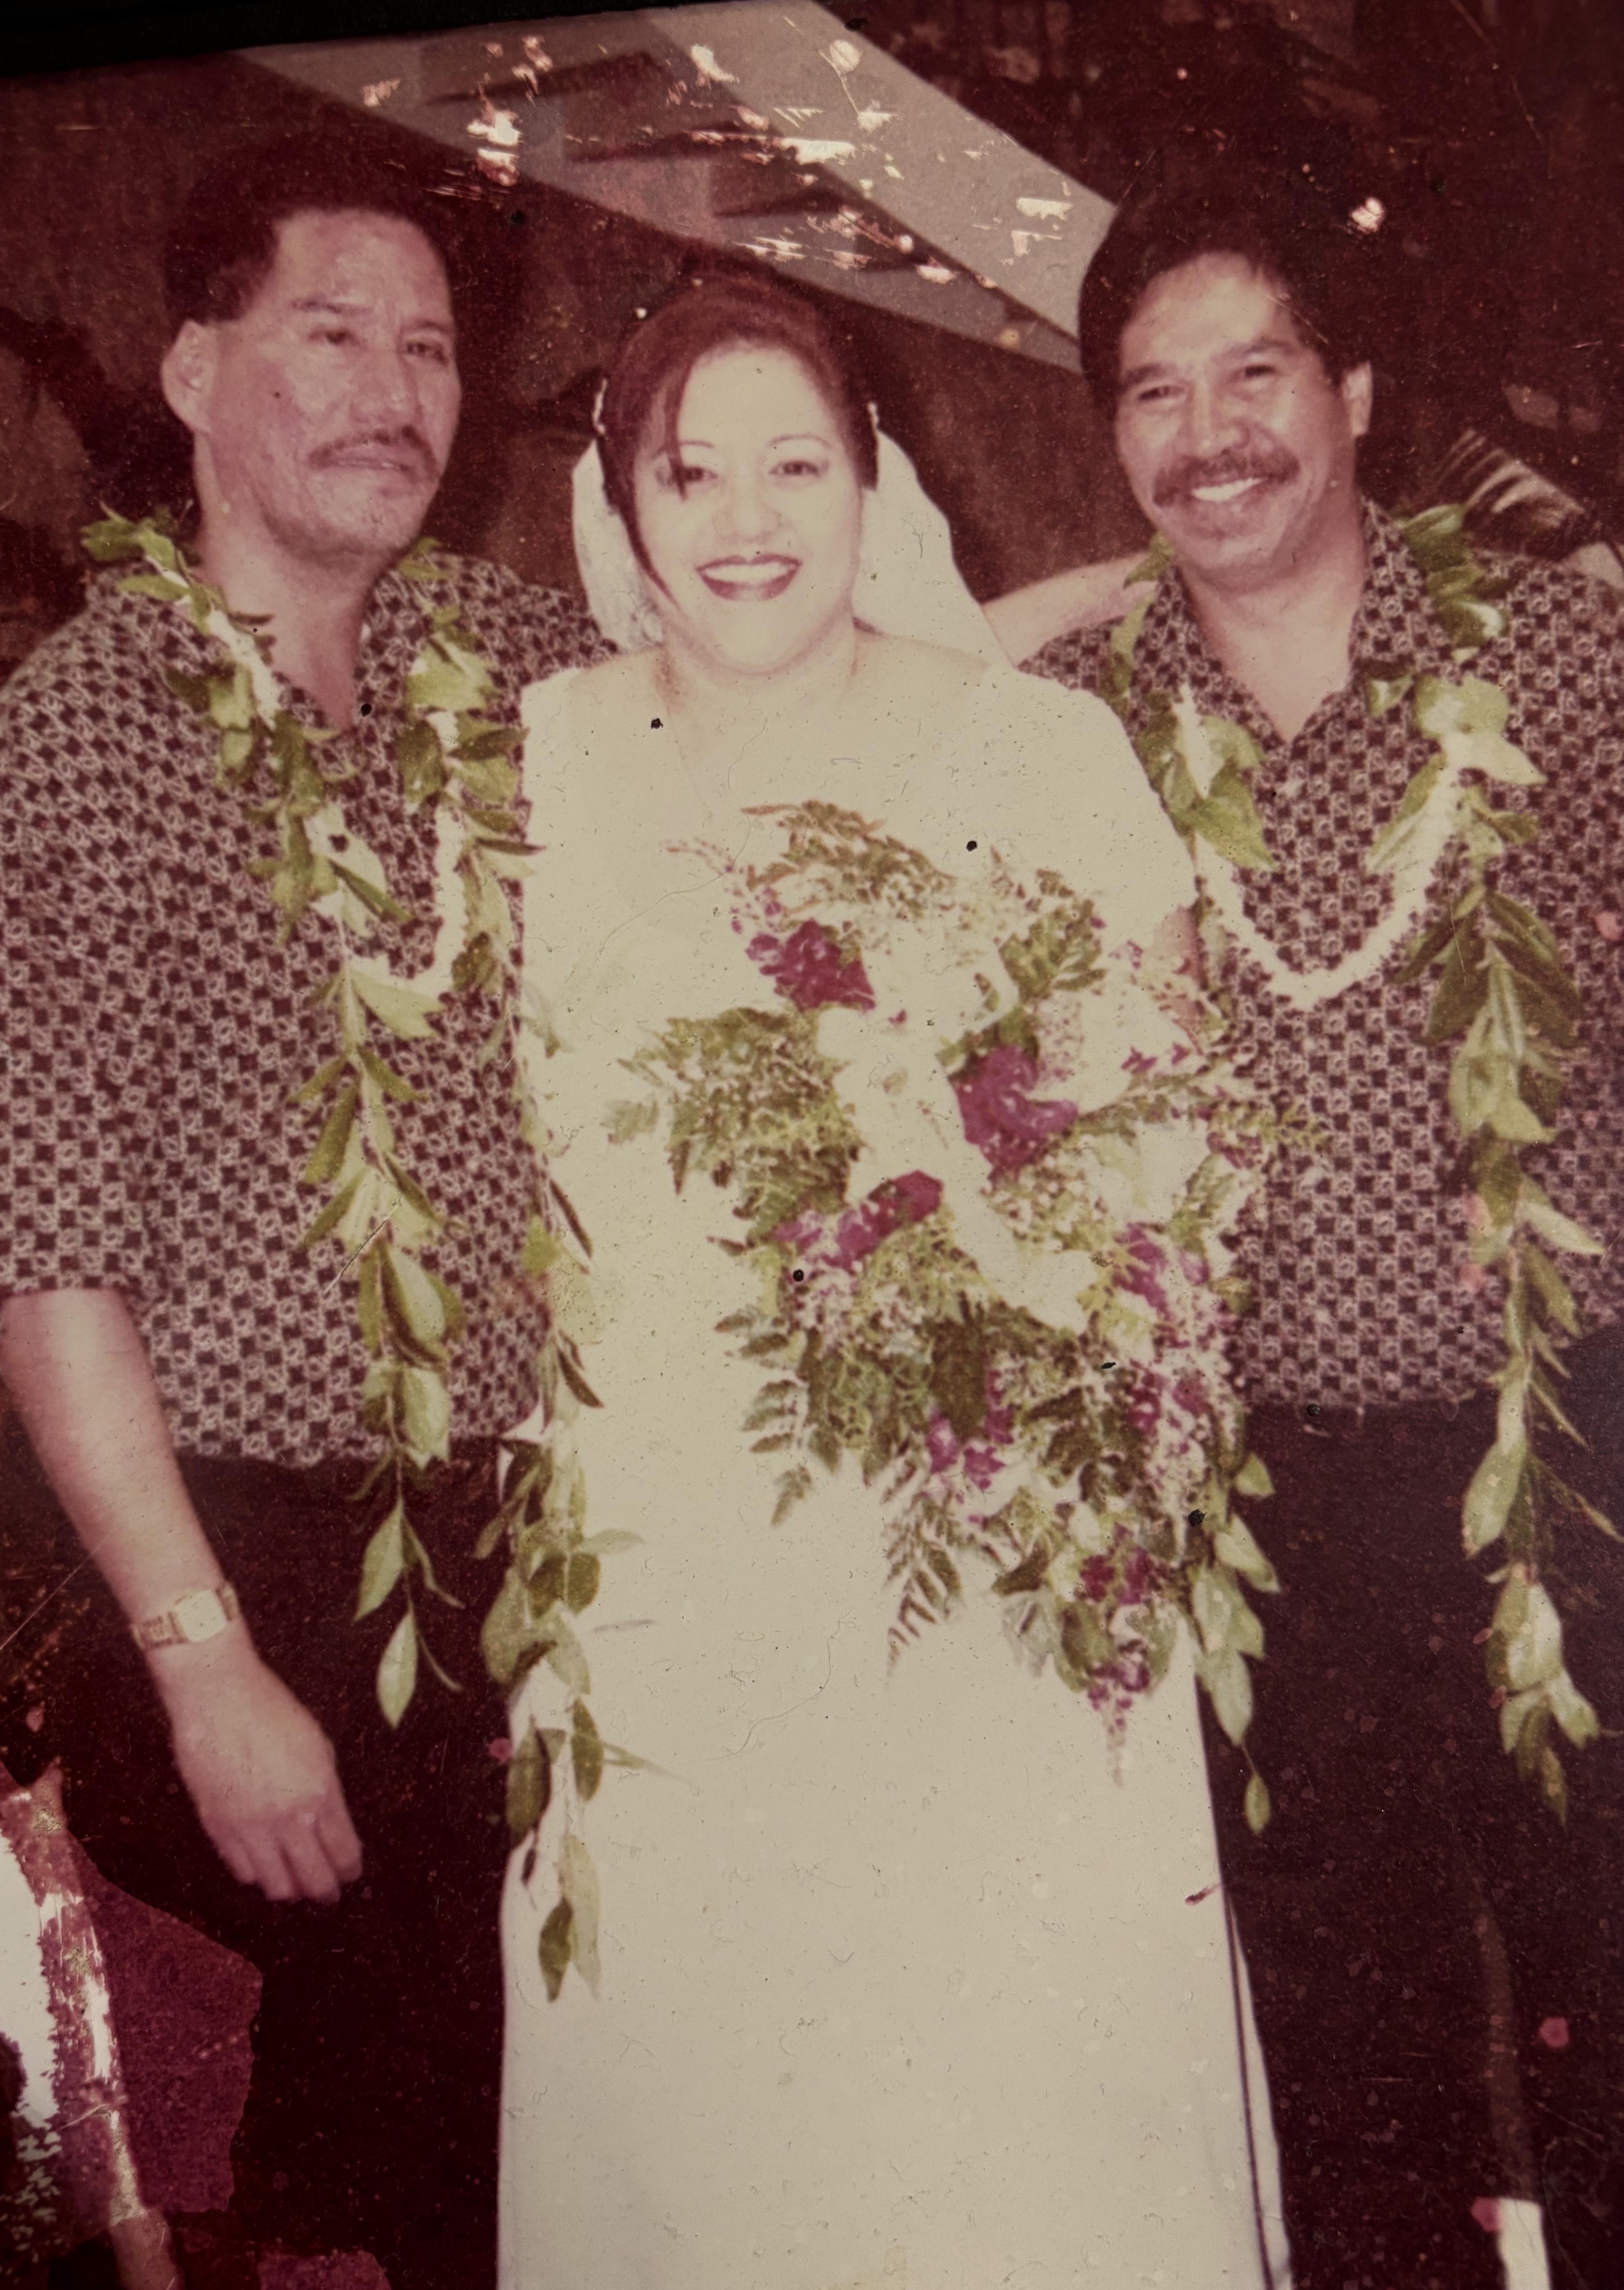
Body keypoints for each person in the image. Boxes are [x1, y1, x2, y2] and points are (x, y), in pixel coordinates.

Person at [499, 270, 1290, 2289]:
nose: (746, 519)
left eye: (796, 465)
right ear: (625, 503)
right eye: (694, 474)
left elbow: (1168, 1150)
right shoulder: (537, 762)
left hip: (972, 1532)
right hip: (658, 1544)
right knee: (711, 2095)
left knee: (998, 2101)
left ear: (875, 482)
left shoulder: (1035, 756)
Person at [0, 135, 606, 2286]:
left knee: (519, 2152)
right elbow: (44, 1257)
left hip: (518, 1545)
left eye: (425, 348)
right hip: (231, 1563)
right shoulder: (82, 735)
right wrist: (204, 1663)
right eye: (332, 334)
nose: (393, 391)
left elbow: (793, 668)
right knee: (296, 2189)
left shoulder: (510, 663)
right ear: (197, 369)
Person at [1022, 165, 1624, 2290]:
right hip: (1257, 1478)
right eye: (1151, 395)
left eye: (1252, 373)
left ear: (1352, 390)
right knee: (1333, 2015)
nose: (1209, 436)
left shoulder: (1564, 653)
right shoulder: (1075, 721)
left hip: (1563, 1435)